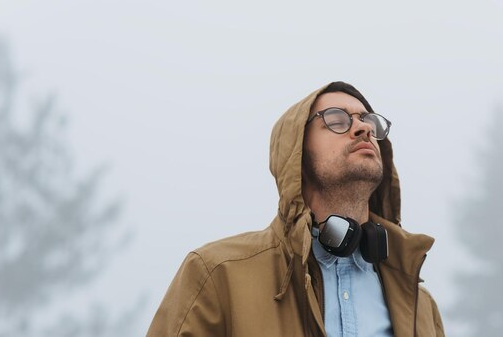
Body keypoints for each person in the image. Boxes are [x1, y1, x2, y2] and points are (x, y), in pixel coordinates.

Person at [147, 81, 445, 337]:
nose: (363, 128)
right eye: (337, 120)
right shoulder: (217, 274)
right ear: (297, 154)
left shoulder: (420, 306)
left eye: (369, 121)